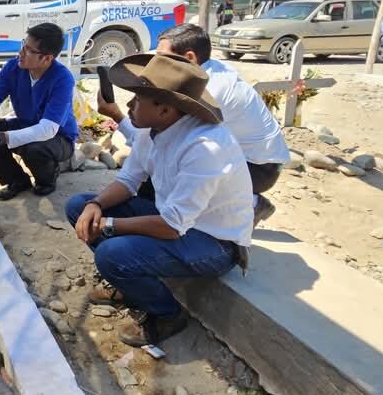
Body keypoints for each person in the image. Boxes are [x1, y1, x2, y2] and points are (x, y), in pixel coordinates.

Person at [65, 54, 253, 346]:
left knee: (110, 254)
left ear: (165, 109)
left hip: (213, 242)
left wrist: (110, 224)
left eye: (138, 100)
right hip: (173, 218)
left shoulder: (205, 148)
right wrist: (96, 205)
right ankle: (128, 282)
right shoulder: (153, 129)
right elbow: (128, 181)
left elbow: (172, 227)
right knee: (79, 206)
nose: (128, 106)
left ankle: (166, 315)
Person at [98, 24, 289, 224]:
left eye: (163, 58)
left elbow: (156, 139)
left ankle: (249, 203)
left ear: (189, 58)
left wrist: (117, 115)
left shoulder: (208, 93)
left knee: (162, 188)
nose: (156, 63)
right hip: (253, 159)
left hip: (258, 168)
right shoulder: (203, 74)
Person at [0, 23, 78, 200]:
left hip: (59, 138)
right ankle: (17, 181)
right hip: (26, 124)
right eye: (23, 45)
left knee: (34, 148)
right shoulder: (13, 67)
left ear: (47, 58)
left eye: (28, 50)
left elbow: (48, 129)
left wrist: (1, 138)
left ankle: (47, 180)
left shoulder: (62, 78)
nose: (21, 52)